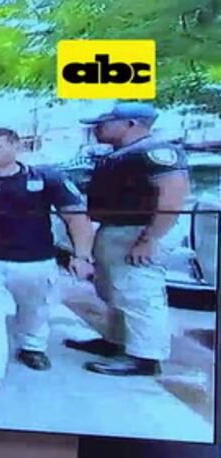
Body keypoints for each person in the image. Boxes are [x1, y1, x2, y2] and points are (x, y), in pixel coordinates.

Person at [0, 127, 95, 396]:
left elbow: (75, 217)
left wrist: (82, 255)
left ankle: (32, 347)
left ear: (16, 147)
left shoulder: (46, 178)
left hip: (35, 260)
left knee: (35, 310)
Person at [64, 102, 191, 377]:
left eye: (104, 123)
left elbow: (172, 196)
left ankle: (145, 356)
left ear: (131, 124)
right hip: (117, 228)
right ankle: (117, 341)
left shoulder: (155, 152)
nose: (97, 129)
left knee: (139, 293)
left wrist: (150, 238)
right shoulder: (122, 153)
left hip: (139, 230)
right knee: (115, 290)